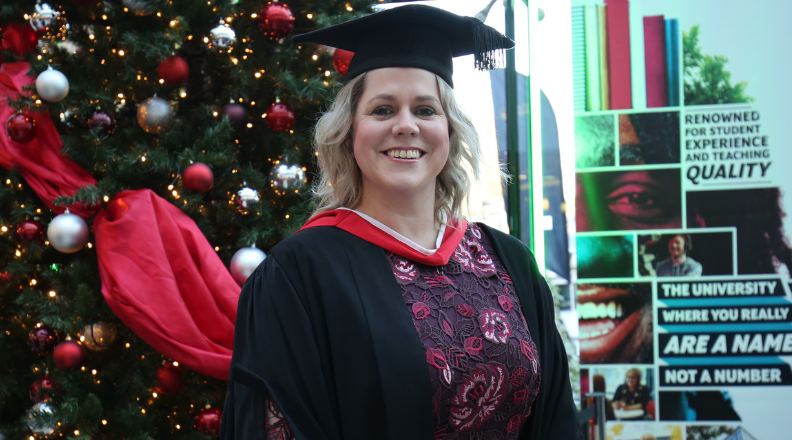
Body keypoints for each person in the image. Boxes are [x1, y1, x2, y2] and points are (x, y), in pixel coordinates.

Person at [218, 5, 582, 440]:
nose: (406, 126)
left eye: (425, 110)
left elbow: (556, 418)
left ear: (450, 131)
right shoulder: (298, 275)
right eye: (383, 110)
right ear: (349, 132)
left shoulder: (509, 261)